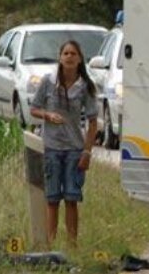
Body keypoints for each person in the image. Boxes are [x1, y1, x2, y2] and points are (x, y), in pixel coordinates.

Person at [29, 40, 98, 246]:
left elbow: (93, 123)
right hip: (51, 148)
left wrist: (87, 152)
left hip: (74, 150)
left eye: (73, 54)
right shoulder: (49, 82)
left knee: (71, 198)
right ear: (60, 58)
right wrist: (48, 115)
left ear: (79, 59)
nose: (69, 57)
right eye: (66, 53)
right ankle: (50, 242)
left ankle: (72, 244)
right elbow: (34, 108)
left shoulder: (85, 86)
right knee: (52, 199)